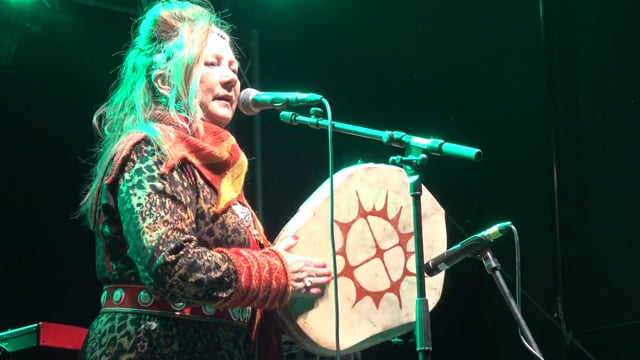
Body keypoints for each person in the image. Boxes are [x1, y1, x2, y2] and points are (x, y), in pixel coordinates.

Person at [76, 1, 332, 359]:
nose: (231, 78)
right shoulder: (151, 149)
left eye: (233, 67)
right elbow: (170, 263)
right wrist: (274, 271)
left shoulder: (215, 170)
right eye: (211, 64)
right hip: (149, 347)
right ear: (164, 79)